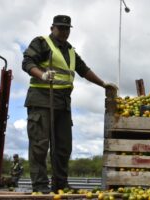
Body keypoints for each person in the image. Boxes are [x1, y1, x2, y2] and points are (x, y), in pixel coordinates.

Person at [22, 15, 117, 193]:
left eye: (67, 29)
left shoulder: (71, 51)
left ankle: (60, 184)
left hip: (63, 104)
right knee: (40, 145)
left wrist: (103, 84)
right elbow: (27, 63)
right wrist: (41, 74)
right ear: (52, 28)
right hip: (42, 100)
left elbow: (84, 70)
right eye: (60, 28)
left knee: (63, 147)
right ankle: (40, 186)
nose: (64, 32)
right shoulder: (41, 43)